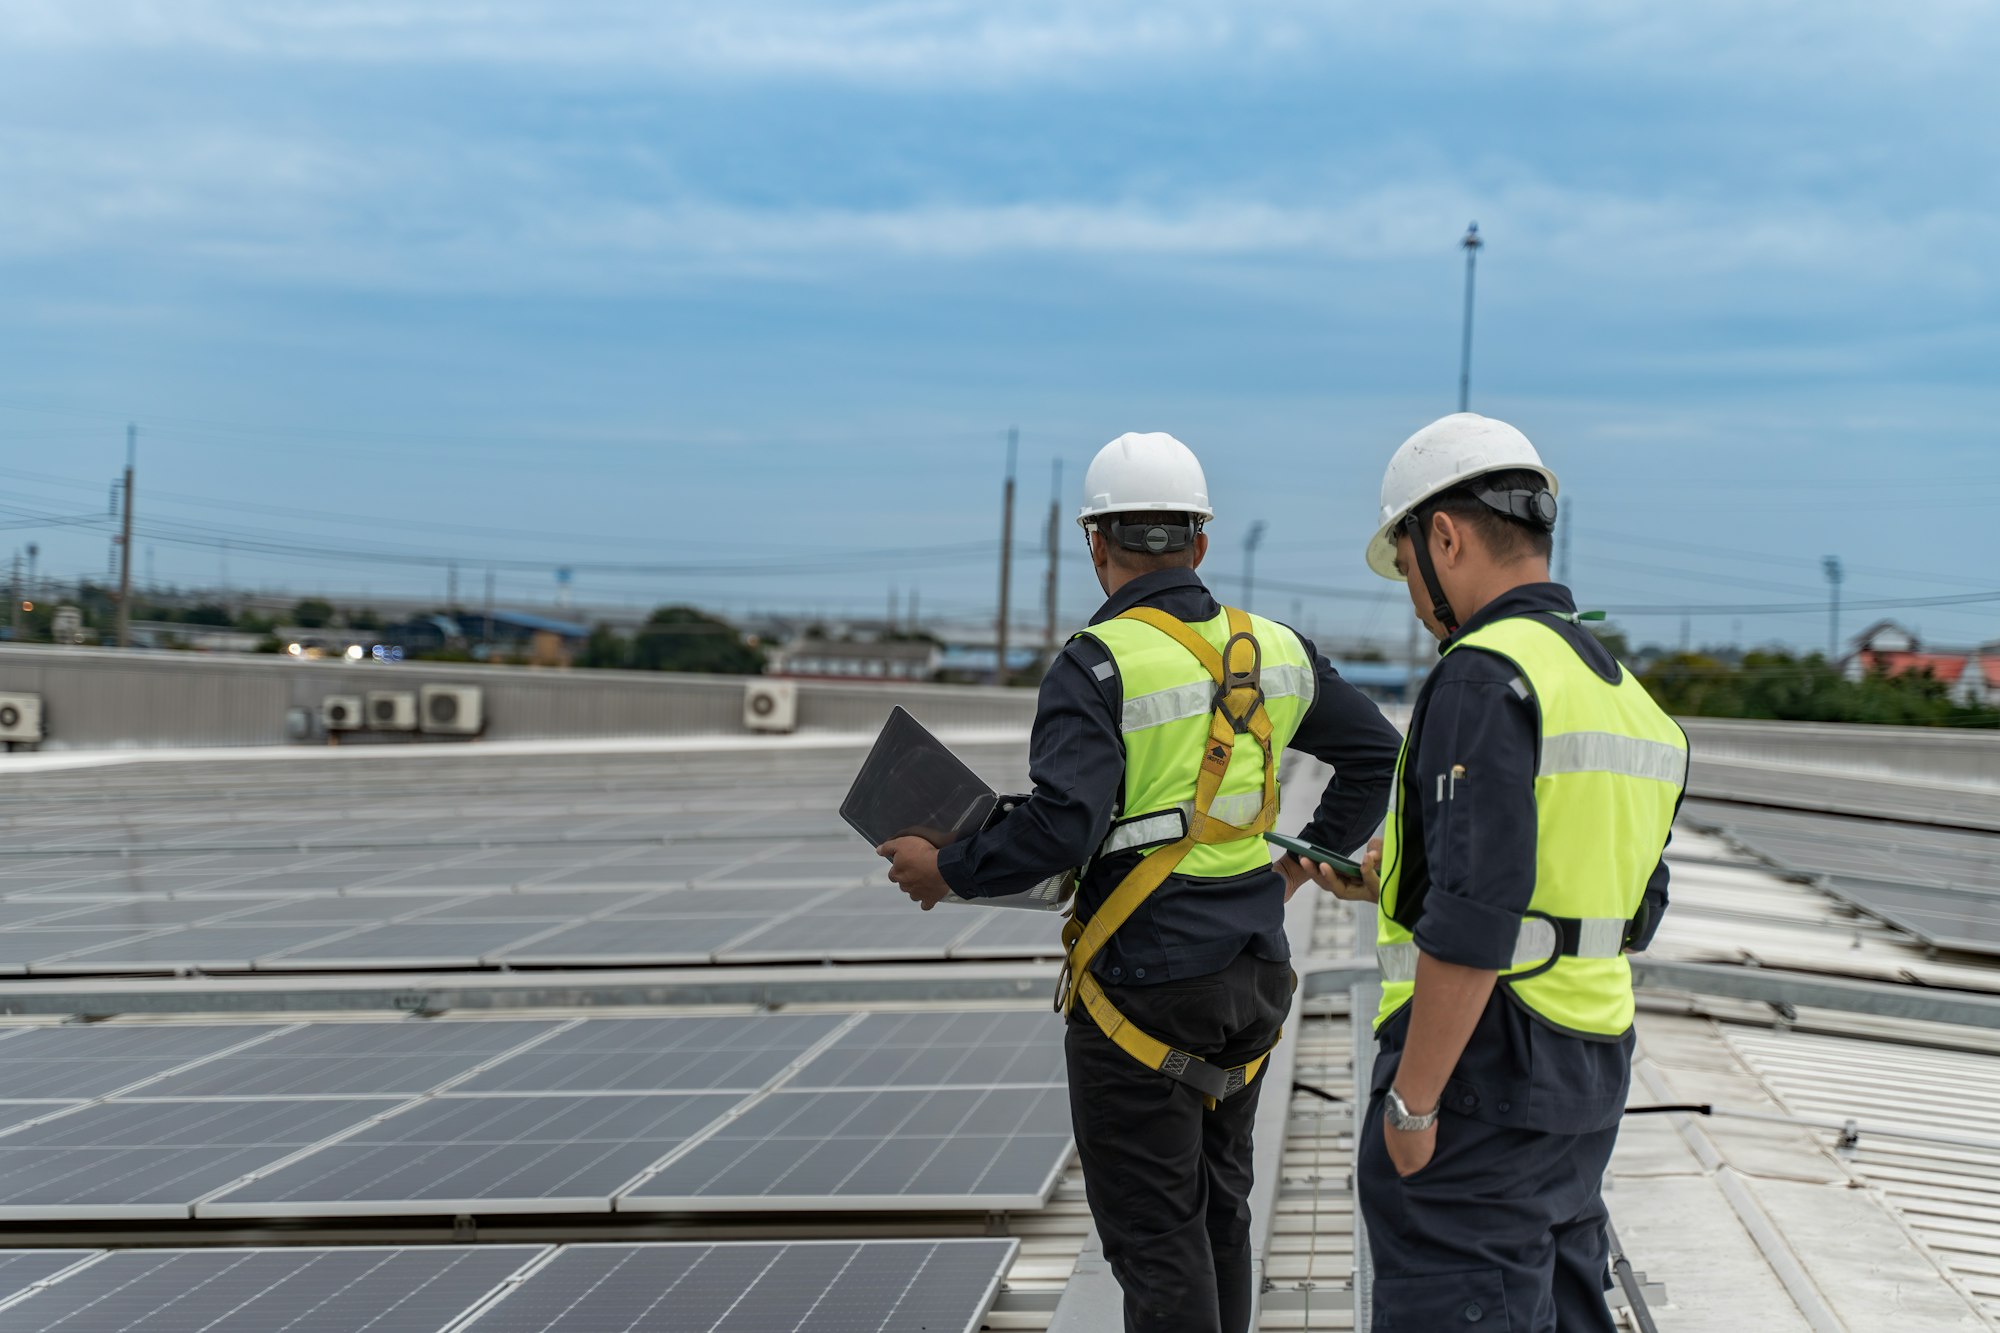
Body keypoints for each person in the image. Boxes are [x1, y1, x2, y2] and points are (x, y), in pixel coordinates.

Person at [877, 430, 1400, 1333]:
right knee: (1218, 1215)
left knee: (1156, 1240)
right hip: (1251, 973)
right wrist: (1293, 869)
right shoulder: (1277, 648)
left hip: (1144, 988)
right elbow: (1376, 754)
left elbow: (1064, 825)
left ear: (1096, 543)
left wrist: (947, 868)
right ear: (1199, 542)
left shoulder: (1098, 663)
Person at [1294, 412, 1687, 1331]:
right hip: (1585, 1078)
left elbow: (1481, 913)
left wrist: (1412, 1104)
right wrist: (1393, 881)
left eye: (1405, 571)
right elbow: (1631, 900)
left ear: (1443, 535)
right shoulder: (1625, 694)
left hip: (1482, 1079)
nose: (1415, 600)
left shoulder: (1482, 674)